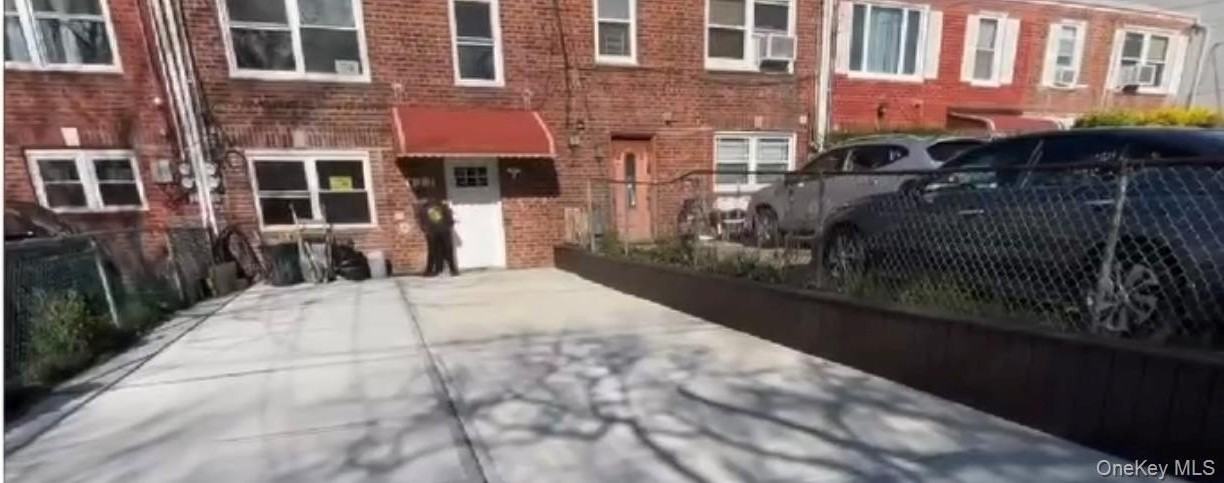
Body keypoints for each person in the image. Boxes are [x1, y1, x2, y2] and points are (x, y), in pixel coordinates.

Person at [419, 196, 459, 276]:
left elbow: (422, 222)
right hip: (444, 231)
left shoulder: (423, 209)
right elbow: (450, 220)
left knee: (432, 251)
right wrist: (449, 225)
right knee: (448, 250)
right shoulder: (443, 207)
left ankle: (430, 271)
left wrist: (425, 230)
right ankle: (453, 270)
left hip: (431, 232)